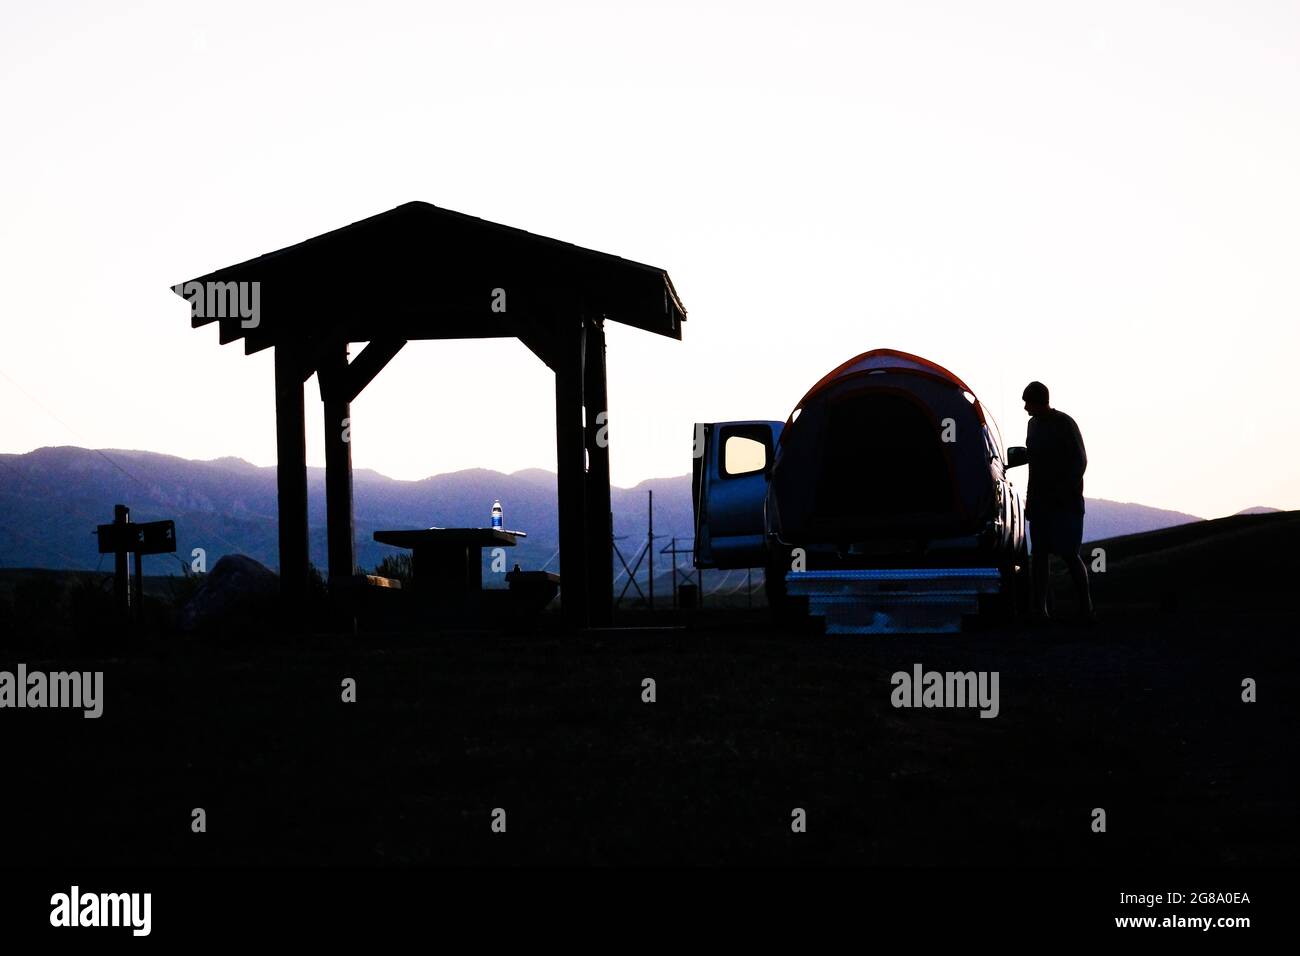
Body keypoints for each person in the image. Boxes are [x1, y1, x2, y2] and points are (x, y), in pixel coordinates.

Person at [1021, 381, 1095, 624]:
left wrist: (1064, 490)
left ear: (1039, 401)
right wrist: (1031, 500)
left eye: (1027, 402)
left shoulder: (1064, 423)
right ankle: (1040, 610)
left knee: (1069, 553)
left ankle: (1086, 606)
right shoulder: (1032, 426)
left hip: (1066, 503)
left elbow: (1080, 461)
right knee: (1039, 555)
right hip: (1041, 502)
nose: (1025, 408)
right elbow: (1033, 466)